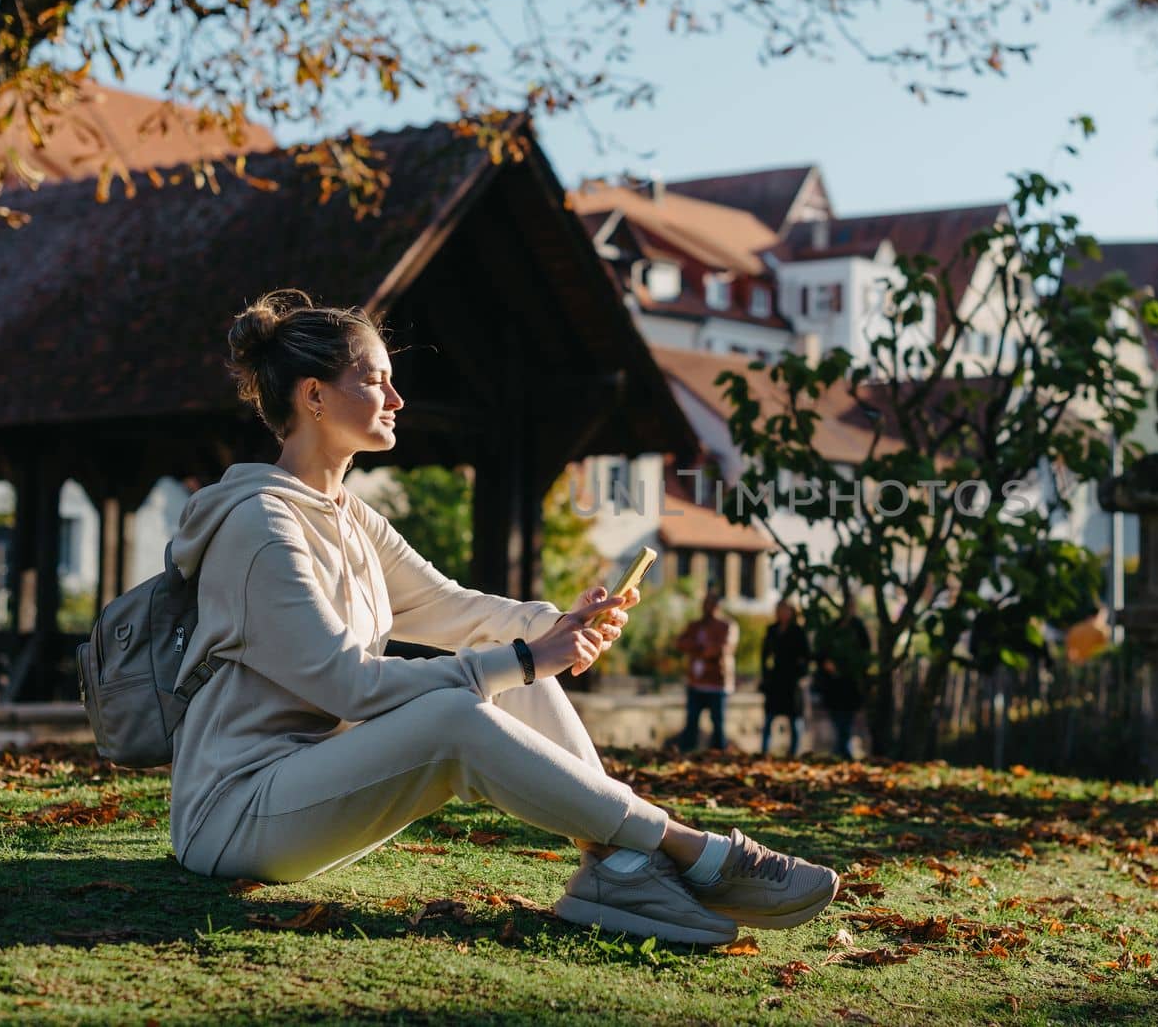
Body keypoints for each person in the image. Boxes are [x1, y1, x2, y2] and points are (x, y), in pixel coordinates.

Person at [168, 290, 837, 946]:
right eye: (376, 381)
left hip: (315, 786)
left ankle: (615, 866)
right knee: (461, 710)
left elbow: (451, 607)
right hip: (236, 814)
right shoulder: (261, 527)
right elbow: (351, 687)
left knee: (508, 645)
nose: (398, 400)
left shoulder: (350, 517)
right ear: (313, 396)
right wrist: (524, 659)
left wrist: (554, 628)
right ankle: (689, 849)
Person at [672, 591, 737, 751]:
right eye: (705, 604)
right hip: (696, 682)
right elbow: (680, 642)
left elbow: (721, 649)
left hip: (717, 682)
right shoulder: (695, 625)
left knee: (718, 724)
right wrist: (701, 648)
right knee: (691, 723)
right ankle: (687, 754)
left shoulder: (727, 626)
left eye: (711, 604)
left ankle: (719, 756)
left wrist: (697, 648)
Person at [813, 592, 870, 759]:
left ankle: (842, 751)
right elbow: (820, 651)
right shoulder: (832, 628)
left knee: (847, 719)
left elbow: (864, 654)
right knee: (837, 718)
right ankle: (841, 751)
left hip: (850, 682)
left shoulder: (858, 628)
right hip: (833, 683)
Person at [758, 599, 810, 756]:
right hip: (776, 680)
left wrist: (801, 675)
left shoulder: (798, 631)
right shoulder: (772, 630)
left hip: (792, 680)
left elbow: (805, 656)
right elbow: (765, 654)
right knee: (769, 718)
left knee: (795, 720)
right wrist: (766, 674)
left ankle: (794, 753)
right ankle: (764, 751)